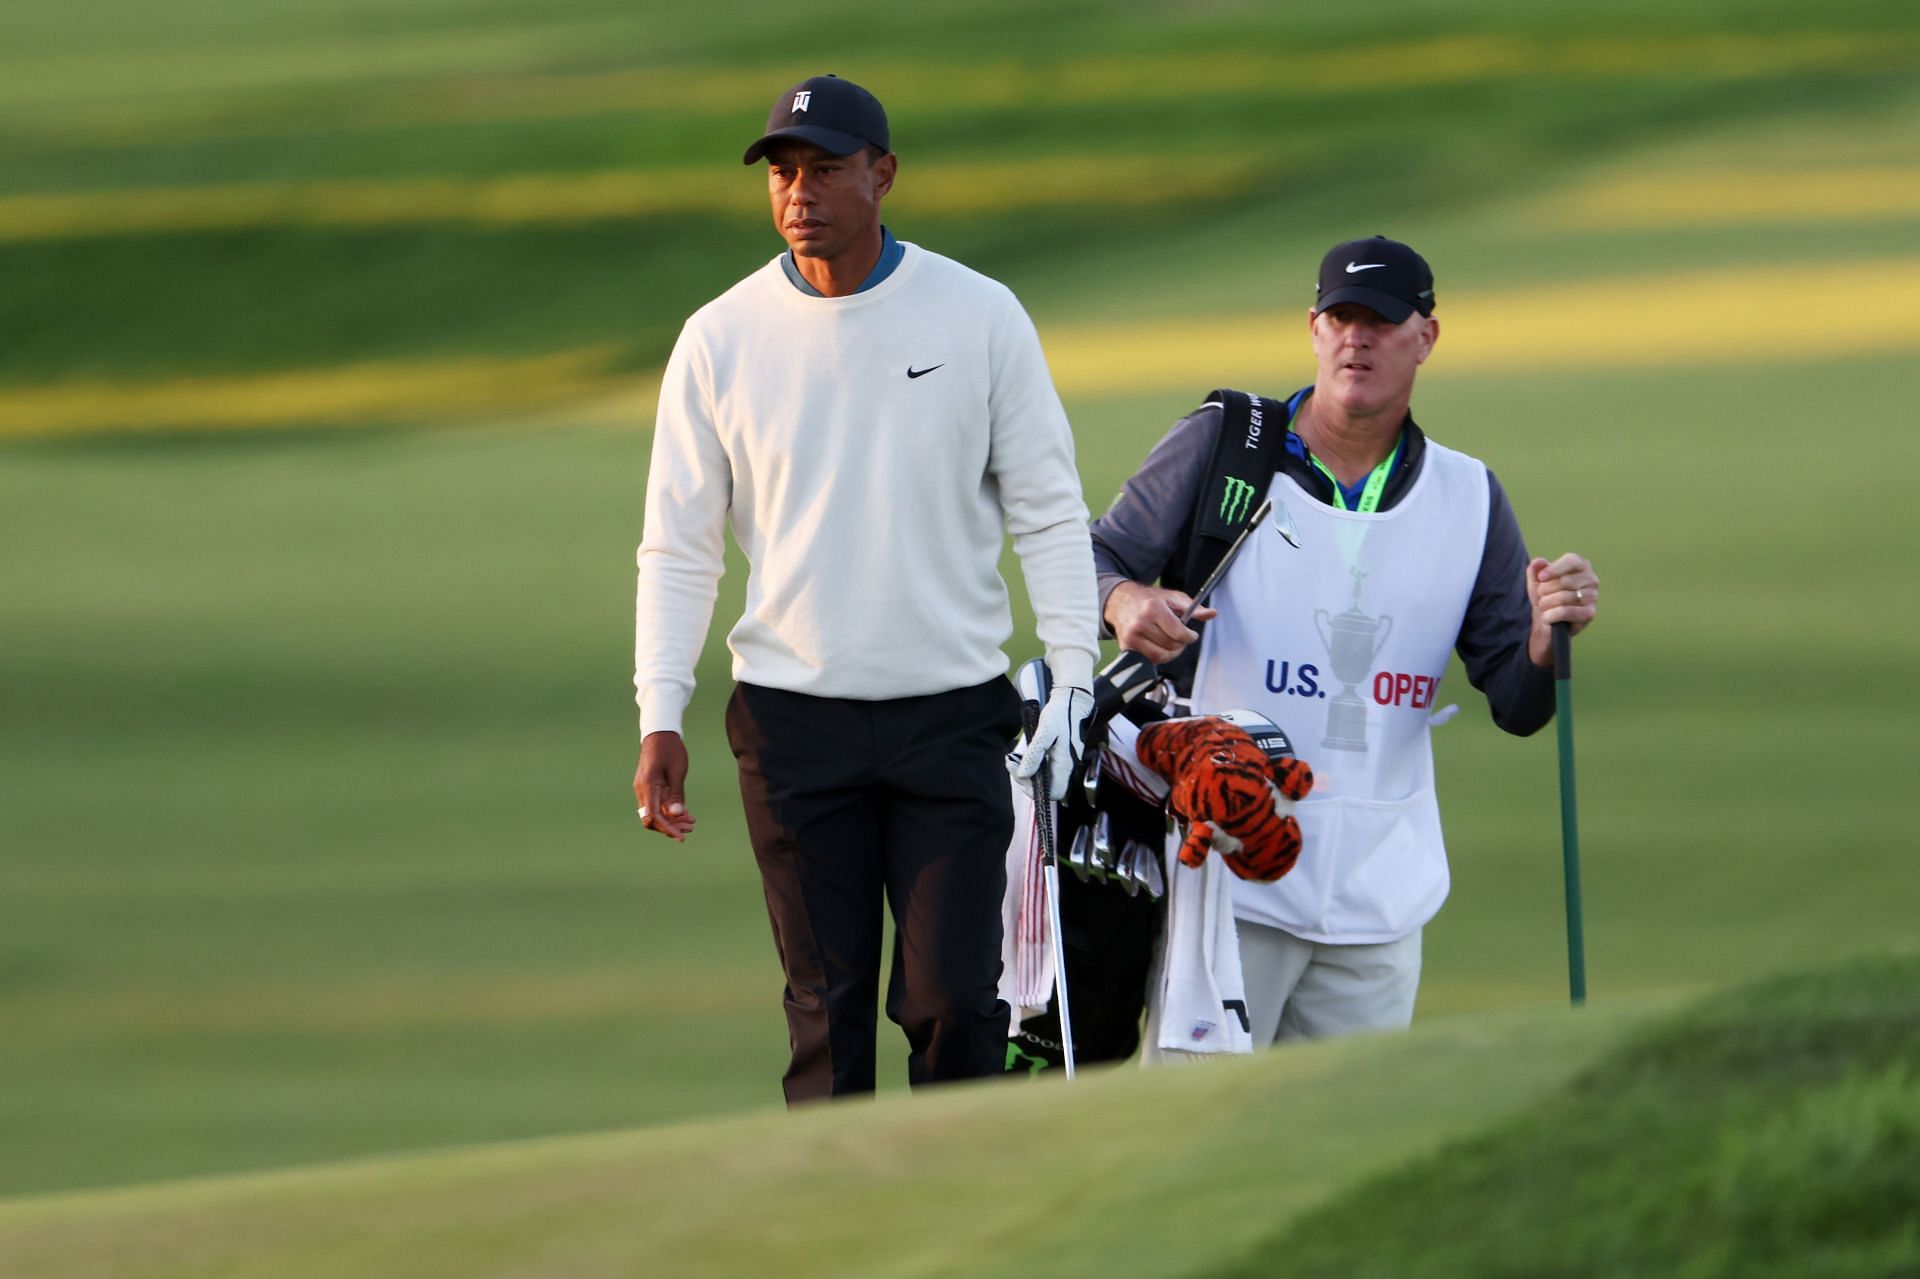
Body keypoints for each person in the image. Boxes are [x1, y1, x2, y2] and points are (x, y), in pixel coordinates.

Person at [632, 75, 1099, 1102]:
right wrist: (659, 711)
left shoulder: (980, 316)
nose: (801, 193)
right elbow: (678, 546)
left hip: (953, 715)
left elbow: (1050, 511)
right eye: (785, 173)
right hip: (794, 722)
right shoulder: (719, 338)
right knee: (826, 1017)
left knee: (956, 1008)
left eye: (828, 170)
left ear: (883, 176)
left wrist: (1075, 673)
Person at [1090, 235, 1600, 1045]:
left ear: (1426, 337)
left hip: (1380, 901)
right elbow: (1096, 553)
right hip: (1228, 878)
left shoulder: (1467, 495)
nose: (1356, 337)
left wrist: (1546, 634)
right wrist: (1123, 601)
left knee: (1341, 1150)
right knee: (1200, 1139)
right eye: (1341, 318)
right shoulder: (1230, 442)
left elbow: (1517, 699)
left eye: (1381, 320)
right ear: (1314, 328)